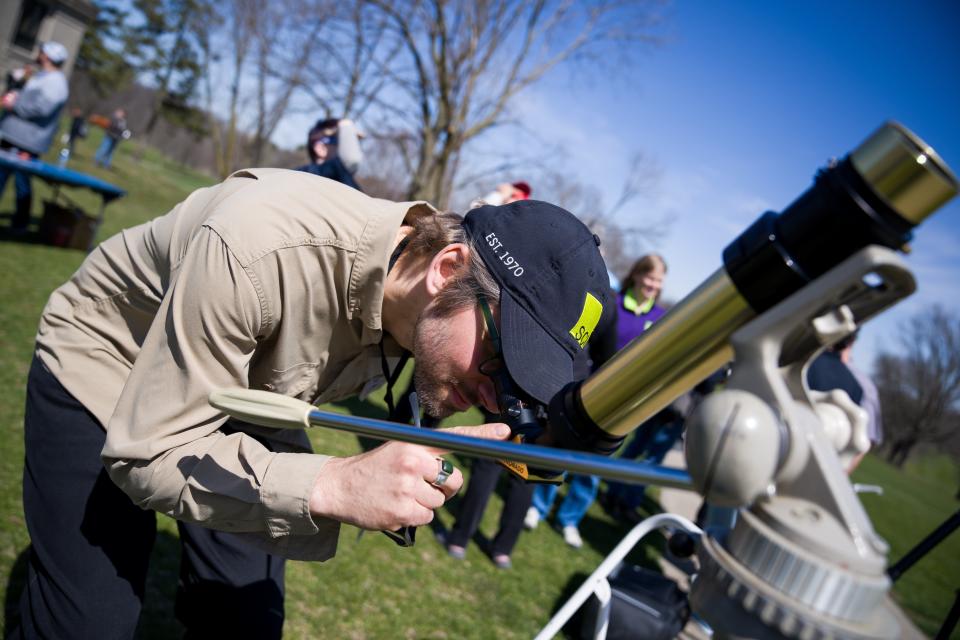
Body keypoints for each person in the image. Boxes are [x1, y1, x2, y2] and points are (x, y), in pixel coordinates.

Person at [15, 172, 614, 638]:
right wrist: (332, 484)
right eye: (500, 362)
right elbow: (150, 450)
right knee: (87, 620)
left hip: (253, 388)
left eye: (517, 386)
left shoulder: (421, 304)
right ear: (448, 268)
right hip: (108, 363)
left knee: (245, 622)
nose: (493, 394)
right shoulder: (258, 245)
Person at [540, 254, 668, 535]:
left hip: (623, 401)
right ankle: (537, 506)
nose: (653, 284)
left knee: (594, 463)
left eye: (658, 281)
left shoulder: (660, 318)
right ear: (636, 274)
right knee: (561, 446)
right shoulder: (613, 304)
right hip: (588, 387)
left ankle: (569, 518)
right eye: (649, 277)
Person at [0, 41, 69, 233]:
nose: (38, 54)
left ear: (47, 56)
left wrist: (14, 106)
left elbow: (41, 109)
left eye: (42, 52)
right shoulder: (40, 76)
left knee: (22, 183)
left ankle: (21, 223)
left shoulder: (56, 83)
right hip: (12, 135)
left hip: (27, 142)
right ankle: (19, 222)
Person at [295, 117, 364, 190]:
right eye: (338, 139)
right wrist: (345, 125)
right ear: (321, 148)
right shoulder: (303, 174)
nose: (349, 144)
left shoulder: (343, 179)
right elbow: (351, 160)